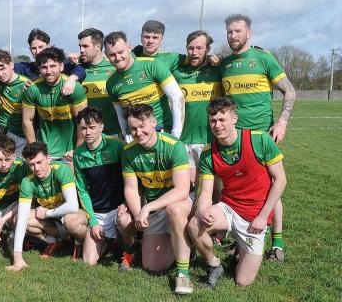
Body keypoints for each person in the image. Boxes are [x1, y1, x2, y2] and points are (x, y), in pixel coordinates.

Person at [188, 98, 287, 287]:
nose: (217, 125)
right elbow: (206, 193)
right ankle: (214, 264)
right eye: (213, 121)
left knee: (242, 281)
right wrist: (203, 211)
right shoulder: (209, 153)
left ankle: (243, 248)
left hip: (255, 216)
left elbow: (280, 180)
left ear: (234, 119)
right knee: (195, 224)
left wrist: (263, 216)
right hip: (229, 208)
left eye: (222, 119)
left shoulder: (259, 139)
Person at [220, 14, 296, 261]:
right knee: (237, 189)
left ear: (249, 33)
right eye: (230, 32)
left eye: (238, 31)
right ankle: (240, 238)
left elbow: (290, 91)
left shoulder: (264, 58)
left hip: (262, 136)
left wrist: (282, 122)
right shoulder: (224, 64)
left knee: (273, 187)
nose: (233, 36)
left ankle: (277, 244)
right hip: (235, 138)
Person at [119, 104, 194, 295]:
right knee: (152, 266)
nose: (137, 132)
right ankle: (185, 245)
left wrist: (148, 208)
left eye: (142, 126)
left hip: (180, 204)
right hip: (154, 209)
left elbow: (182, 190)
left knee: (174, 211)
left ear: (154, 123)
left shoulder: (173, 145)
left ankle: (183, 274)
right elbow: (131, 190)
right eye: (133, 128)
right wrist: (138, 215)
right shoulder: (128, 151)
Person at [7, 141, 89, 271]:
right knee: (19, 219)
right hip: (52, 220)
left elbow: (72, 206)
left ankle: (79, 243)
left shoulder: (61, 169)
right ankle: (54, 240)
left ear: (48, 158)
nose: (36, 168)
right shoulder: (27, 181)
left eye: (39, 162)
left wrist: (46, 213)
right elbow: (22, 218)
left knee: (72, 221)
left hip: (68, 215)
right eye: (32, 164)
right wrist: (18, 258)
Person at [72, 108, 132, 266]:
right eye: (83, 128)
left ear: (101, 127)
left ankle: (131, 249)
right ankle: (110, 242)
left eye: (92, 127)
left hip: (119, 209)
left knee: (125, 221)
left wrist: (127, 203)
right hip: (98, 212)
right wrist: (93, 221)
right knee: (88, 261)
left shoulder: (117, 146)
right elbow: (82, 190)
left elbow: (132, 179)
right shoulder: (78, 155)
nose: (87, 132)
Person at [104, 31, 185, 140]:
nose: (117, 58)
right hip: (136, 136)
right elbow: (121, 114)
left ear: (129, 47)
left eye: (121, 52)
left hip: (161, 132)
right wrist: (127, 135)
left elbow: (177, 97)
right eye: (112, 54)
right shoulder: (111, 82)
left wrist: (176, 135)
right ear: (106, 54)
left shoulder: (152, 65)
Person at [171, 31, 222, 183]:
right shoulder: (177, 73)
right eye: (190, 48)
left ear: (208, 49)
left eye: (199, 48)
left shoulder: (218, 71)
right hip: (183, 140)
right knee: (189, 187)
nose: (194, 53)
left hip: (211, 139)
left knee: (215, 187)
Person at [21, 46, 88, 161]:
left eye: (53, 66)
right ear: (39, 68)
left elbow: (83, 122)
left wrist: (77, 151)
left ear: (61, 66)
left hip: (70, 152)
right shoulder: (33, 89)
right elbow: (27, 120)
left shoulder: (75, 88)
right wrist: (35, 150)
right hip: (45, 153)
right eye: (44, 67)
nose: (49, 71)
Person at [0, 28, 85, 102]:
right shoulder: (27, 68)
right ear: (29, 50)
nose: (38, 51)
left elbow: (80, 70)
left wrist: (72, 79)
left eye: (41, 47)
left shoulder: (60, 63)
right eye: (34, 48)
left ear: (48, 45)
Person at [0, 135, 27, 249]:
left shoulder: (21, 167)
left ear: (14, 156)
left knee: (22, 214)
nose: (3, 164)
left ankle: (13, 236)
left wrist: (3, 220)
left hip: (10, 208)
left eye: (7, 160)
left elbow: (25, 199)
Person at [78, 28, 121, 136]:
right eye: (80, 46)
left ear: (97, 46)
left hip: (114, 135)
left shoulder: (115, 67)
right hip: (88, 135)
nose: (81, 50)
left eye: (85, 46)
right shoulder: (77, 72)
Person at [0, 49, 30, 156]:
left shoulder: (26, 84)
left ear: (11, 65)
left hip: (22, 135)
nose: (0, 74)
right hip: (2, 131)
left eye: (3, 69)